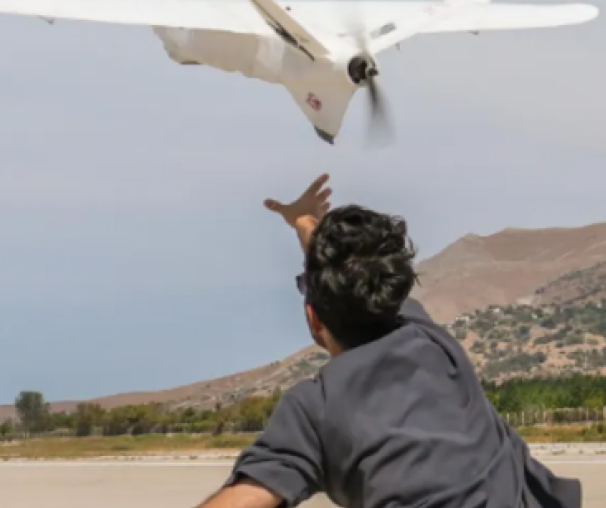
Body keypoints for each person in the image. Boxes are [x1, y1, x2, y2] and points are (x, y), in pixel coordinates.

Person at [193, 174, 582, 508]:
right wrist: (305, 224)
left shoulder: (316, 408)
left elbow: (248, 497)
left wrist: (303, 225)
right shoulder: (431, 342)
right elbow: (355, 279)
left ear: (313, 318)